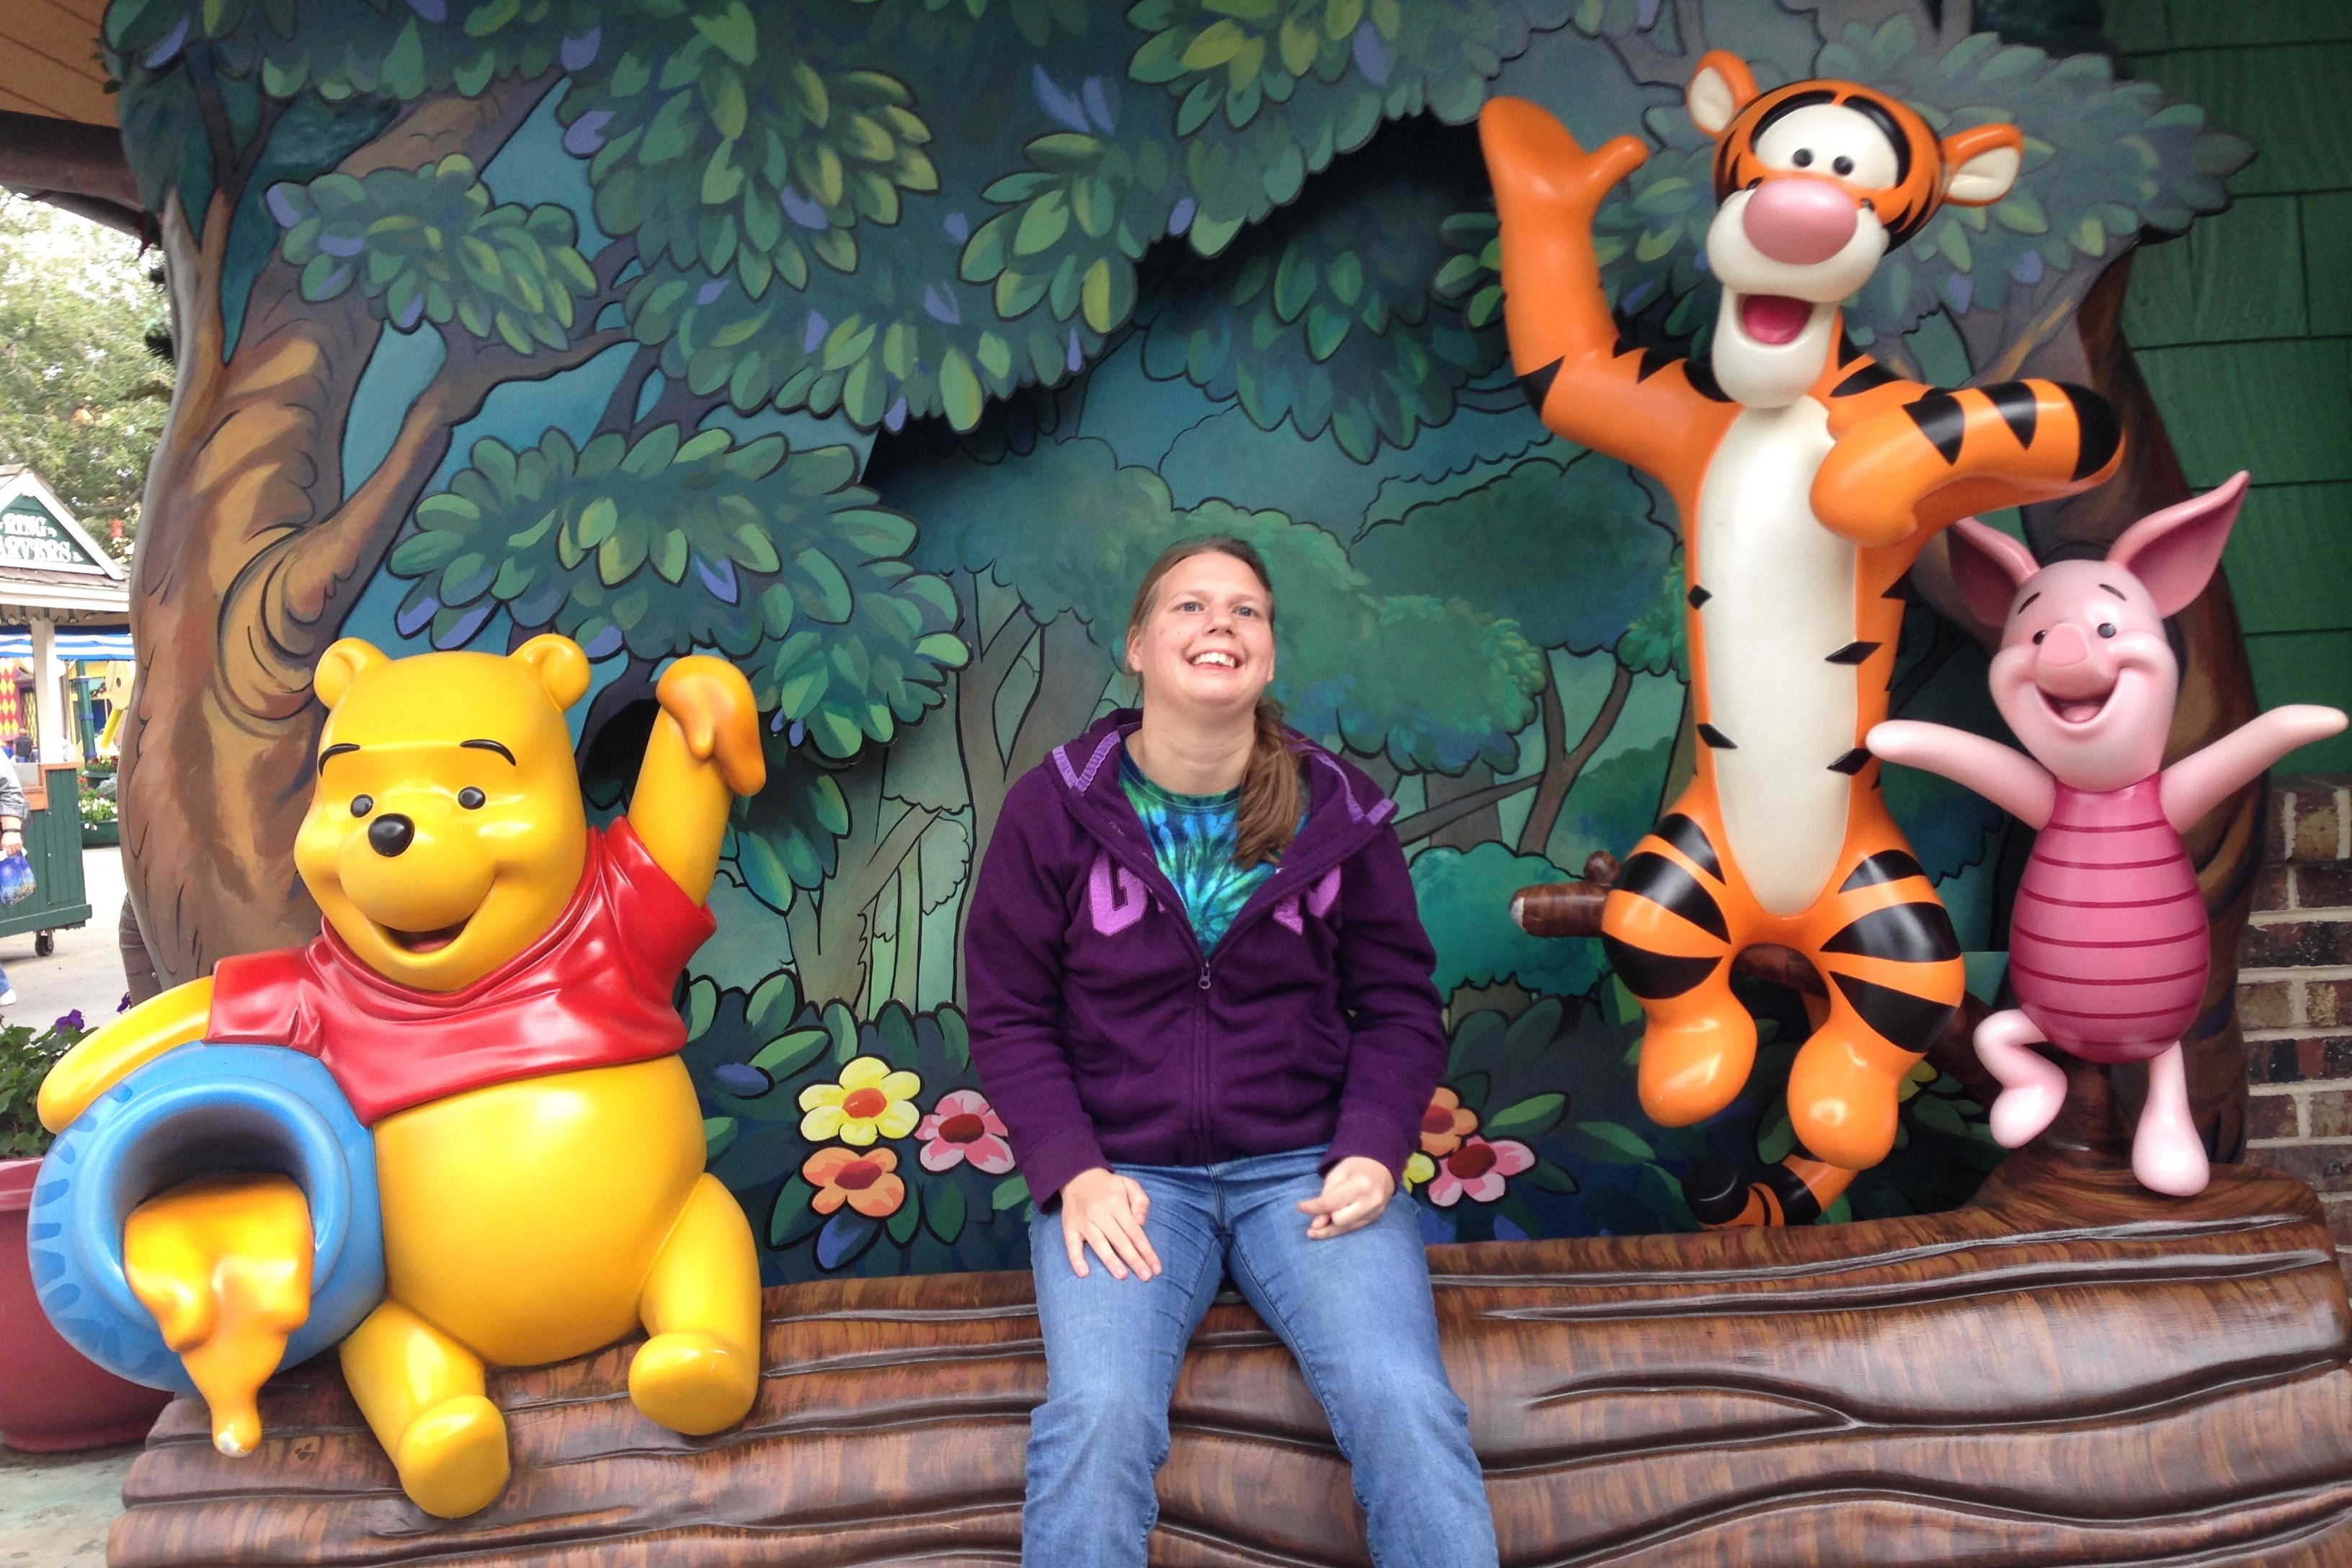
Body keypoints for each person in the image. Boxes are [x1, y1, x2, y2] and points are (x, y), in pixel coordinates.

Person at [965, 537, 1499, 1567]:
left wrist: (1372, 1147)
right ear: (1136, 646)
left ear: (1269, 653)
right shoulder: (1056, 806)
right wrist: (1074, 1172)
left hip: (1304, 1174)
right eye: (1190, 606)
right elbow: (1009, 1011)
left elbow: (1398, 1005)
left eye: (1246, 610)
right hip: (1127, 1180)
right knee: (1099, 1413)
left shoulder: (1338, 808)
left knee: (1402, 1397)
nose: (1220, 623)